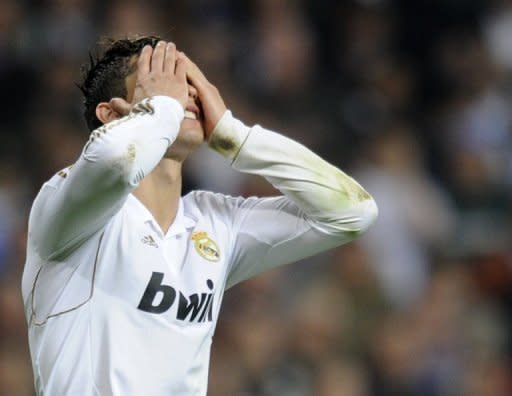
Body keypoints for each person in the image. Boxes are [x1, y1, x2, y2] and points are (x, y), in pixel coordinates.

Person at [21, 36, 378, 395]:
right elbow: (116, 160)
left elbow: (351, 213)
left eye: (189, 81)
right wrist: (161, 109)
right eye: (161, 78)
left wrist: (235, 136)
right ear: (111, 114)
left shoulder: (215, 223)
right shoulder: (69, 209)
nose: (184, 94)